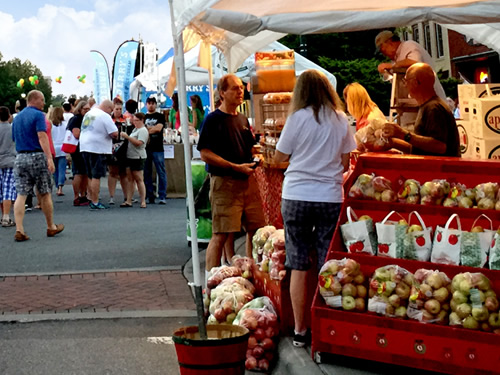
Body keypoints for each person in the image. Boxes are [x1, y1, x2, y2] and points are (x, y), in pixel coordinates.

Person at [274, 70, 356, 347]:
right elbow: (346, 163)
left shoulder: (297, 118)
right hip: (330, 195)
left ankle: (300, 330)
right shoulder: (341, 119)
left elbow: (279, 156)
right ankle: (327, 327)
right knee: (326, 263)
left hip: (296, 193)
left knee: (298, 263)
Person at [197, 74, 265, 276]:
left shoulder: (242, 119)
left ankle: (251, 270)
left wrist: (258, 153)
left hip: (248, 182)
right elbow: (205, 153)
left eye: (241, 88)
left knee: (256, 228)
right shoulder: (213, 120)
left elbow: (248, 147)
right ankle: (211, 279)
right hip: (224, 184)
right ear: (222, 93)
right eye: (235, 88)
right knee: (220, 233)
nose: (240, 91)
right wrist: (234, 166)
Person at [11, 90, 64, 241]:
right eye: (42, 100)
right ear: (35, 100)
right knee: (45, 192)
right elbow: (42, 136)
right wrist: (49, 158)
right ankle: (50, 226)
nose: (44, 103)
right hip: (37, 155)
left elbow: (14, 138)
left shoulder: (17, 118)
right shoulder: (39, 116)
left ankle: (19, 229)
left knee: (21, 194)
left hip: (20, 156)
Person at [382, 63, 460, 157]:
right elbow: (421, 148)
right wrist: (393, 143)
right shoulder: (428, 106)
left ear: (415, 82)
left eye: (405, 81)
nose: (405, 85)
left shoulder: (434, 108)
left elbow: (439, 146)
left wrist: (403, 134)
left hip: (440, 170)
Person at [375, 30, 446, 100]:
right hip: (413, 103)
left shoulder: (409, 45)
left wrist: (392, 66)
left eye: (383, 50)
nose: (384, 54)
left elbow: (416, 62)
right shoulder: (395, 58)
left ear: (390, 43)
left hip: (432, 101)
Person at [79, 100, 118, 210]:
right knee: (96, 175)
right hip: (97, 148)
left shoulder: (89, 113)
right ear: (108, 108)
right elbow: (114, 133)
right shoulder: (104, 116)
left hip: (84, 146)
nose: (111, 113)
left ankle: (91, 198)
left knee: (90, 175)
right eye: (111, 110)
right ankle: (95, 201)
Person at [120, 112, 149, 208]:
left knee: (139, 178)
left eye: (137, 120)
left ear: (142, 121)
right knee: (130, 179)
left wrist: (127, 137)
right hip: (130, 156)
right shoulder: (135, 129)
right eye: (134, 120)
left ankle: (143, 201)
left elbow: (139, 143)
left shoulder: (143, 131)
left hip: (138, 157)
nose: (135, 122)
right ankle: (129, 200)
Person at [144, 97, 167, 205]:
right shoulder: (143, 117)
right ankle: (149, 195)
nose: (151, 105)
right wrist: (149, 130)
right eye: (149, 103)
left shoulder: (160, 116)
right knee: (146, 173)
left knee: (161, 172)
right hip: (146, 148)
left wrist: (147, 130)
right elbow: (141, 129)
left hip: (158, 148)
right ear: (146, 104)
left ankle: (162, 195)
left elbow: (158, 128)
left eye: (153, 103)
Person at [67, 101, 91, 206]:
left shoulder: (87, 119)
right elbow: (76, 134)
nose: (87, 111)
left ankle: (83, 195)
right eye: (85, 109)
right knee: (78, 173)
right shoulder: (76, 119)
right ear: (80, 109)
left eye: (88, 109)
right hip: (77, 149)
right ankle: (76, 196)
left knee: (84, 173)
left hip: (85, 148)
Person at [108, 101, 127, 205]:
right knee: (112, 172)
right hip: (112, 148)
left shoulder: (126, 119)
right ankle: (111, 196)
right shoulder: (109, 120)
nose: (119, 111)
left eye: (120, 109)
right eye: (116, 109)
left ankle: (126, 196)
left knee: (124, 173)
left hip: (124, 149)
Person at [0, 106, 17, 227]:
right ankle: (6, 216)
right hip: (10, 160)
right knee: (7, 189)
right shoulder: (12, 129)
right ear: (9, 116)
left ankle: (2, 215)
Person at [49, 107, 67, 196]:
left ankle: (57, 186)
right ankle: (60, 186)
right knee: (62, 169)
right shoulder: (65, 124)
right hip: (63, 147)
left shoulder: (50, 124)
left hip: (53, 147)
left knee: (54, 169)